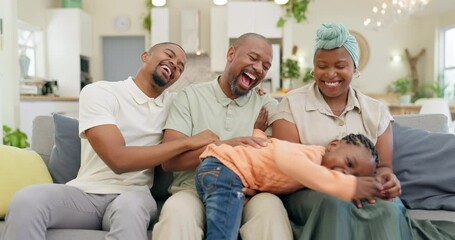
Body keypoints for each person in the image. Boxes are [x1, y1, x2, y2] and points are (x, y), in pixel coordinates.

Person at [1, 42, 218, 240]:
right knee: (26, 200)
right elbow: (118, 160)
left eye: (181, 66)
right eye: (169, 55)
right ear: (145, 56)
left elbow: (214, 96)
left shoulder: (176, 105)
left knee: (130, 211)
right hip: (84, 194)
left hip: (134, 195)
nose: (175, 64)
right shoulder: (100, 92)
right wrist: (187, 143)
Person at [269, 23, 412, 240]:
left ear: (355, 68)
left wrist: (387, 181)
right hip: (309, 192)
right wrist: (342, 186)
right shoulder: (291, 104)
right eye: (322, 66)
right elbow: (288, 170)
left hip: (365, 190)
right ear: (313, 67)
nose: (330, 73)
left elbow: (384, 167)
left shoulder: (376, 110)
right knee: (335, 203)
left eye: (340, 65)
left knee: (390, 209)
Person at [152, 33, 292, 240]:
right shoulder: (190, 97)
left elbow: (277, 161)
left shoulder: (268, 106)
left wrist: (254, 186)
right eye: (253, 58)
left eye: (265, 66)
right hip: (192, 191)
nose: (258, 68)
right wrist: (225, 147)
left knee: (271, 208)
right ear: (231, 54)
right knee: (177, 211)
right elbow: (169, 162)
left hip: (248, 194)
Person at [196, 131, 383, 240]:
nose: (345, 174)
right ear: (333, 145)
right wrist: (349, 186)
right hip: (223, 168)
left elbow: (264, 150)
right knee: (222, 233)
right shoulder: (311, 155)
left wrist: (258, 131)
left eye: (355, 176)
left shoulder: (315, 174)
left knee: (225, 227)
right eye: (349, 164)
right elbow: (286, 161)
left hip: (224, 174)